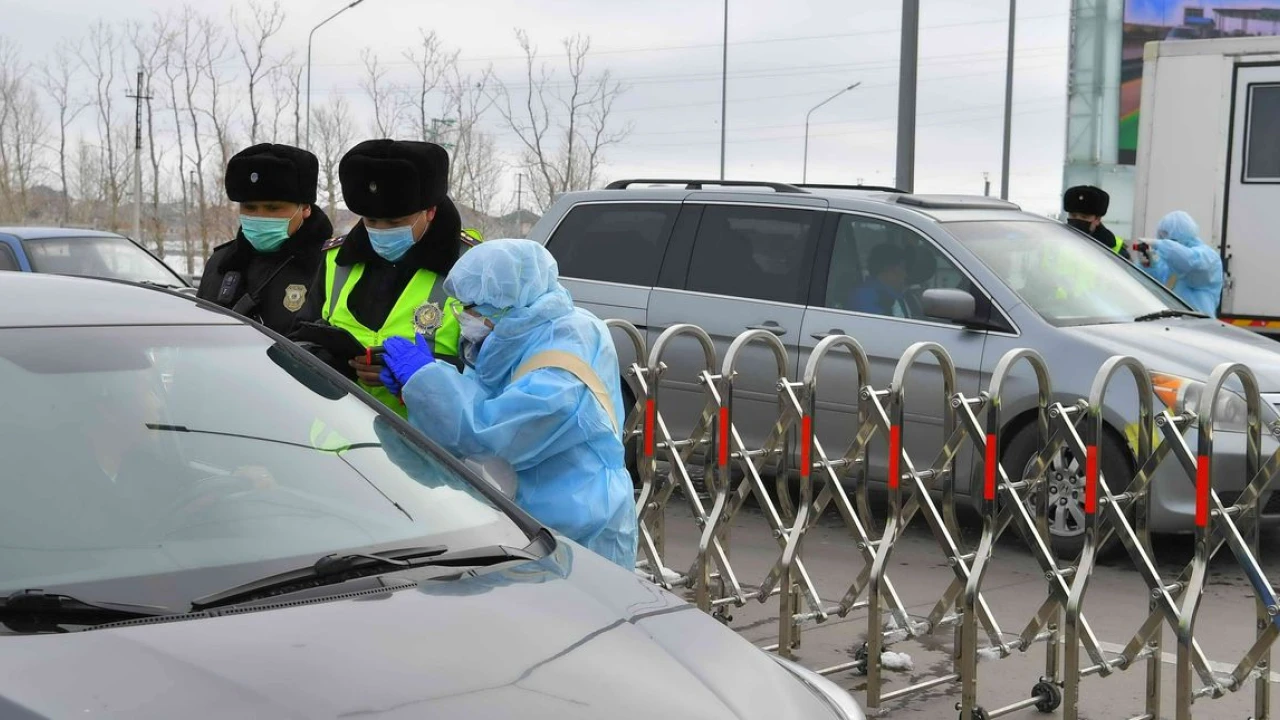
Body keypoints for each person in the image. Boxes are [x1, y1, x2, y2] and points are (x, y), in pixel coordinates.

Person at [378, 239, 637, 570]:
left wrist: (426, 381)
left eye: (471, 306)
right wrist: (416, 391)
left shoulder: (570, 342)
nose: (463, 316)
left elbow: (492, 434)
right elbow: (478, 404)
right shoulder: (511, 337)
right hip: (524, 526)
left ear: (506, 301)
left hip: (582, 528)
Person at [290, 139, 464, 416]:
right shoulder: (335, 259)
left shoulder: (471, 269)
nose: (380, 231)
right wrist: (333, 361)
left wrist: (425, 373)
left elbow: (493, 374)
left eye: (395, 223)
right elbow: (301, 334)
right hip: (340, 440)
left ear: (430, 211)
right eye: (370, 221)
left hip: (428, 445)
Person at [199, 144, 333, 335]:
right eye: (250, 208)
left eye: (273, 208)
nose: (260, 217)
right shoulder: (220, 264)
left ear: (305, 208)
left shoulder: (330, 266)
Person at [1137, 210, 1224, 317]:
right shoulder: (1170, 259)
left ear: (1181, 233)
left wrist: (1160, 244)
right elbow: (1158, 285)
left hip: (1198, 325)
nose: (1162, 238)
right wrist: (1148, 265)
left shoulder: (1208, 256)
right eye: (1161, 235)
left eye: (1165, 234)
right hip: (1171, 323)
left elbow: (1189, 262)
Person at [1063, 185, 1131, 260]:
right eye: (1073, 215)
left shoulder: (1115, 249)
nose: (1077, 220)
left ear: (1097, 220)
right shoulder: (1058, 241)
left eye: (1084, 217)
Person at [851, 243, 910, 317]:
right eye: (902, 268)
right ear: (888, 269)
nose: (905, 275)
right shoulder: (866, 297)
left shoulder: (889, 295)